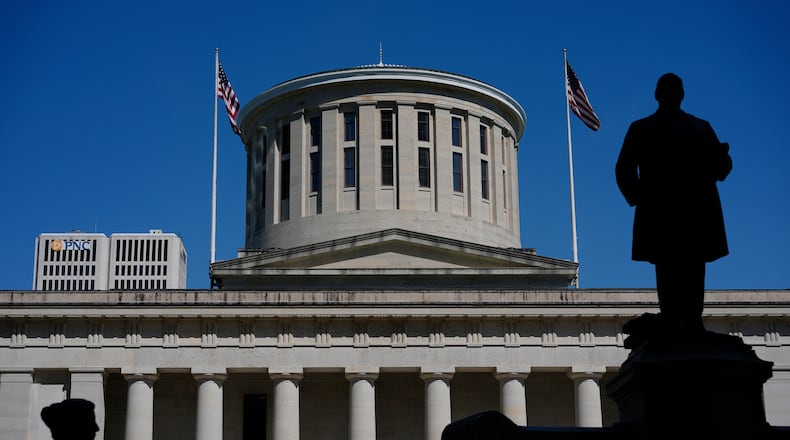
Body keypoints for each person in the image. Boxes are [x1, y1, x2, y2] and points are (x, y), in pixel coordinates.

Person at [615, 73, 732, 334]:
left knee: (690, 266)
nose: (670, 95)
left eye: (673, 91)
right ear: (659, 95)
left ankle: (691, 320)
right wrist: (637, 196)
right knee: (670, 265)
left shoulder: (699, 127)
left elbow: (721, 168)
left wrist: (637, 195)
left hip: (690, 210)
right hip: (668, 211)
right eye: (668, 91)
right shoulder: (643, 128)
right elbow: (624, 168)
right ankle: (677, 318)